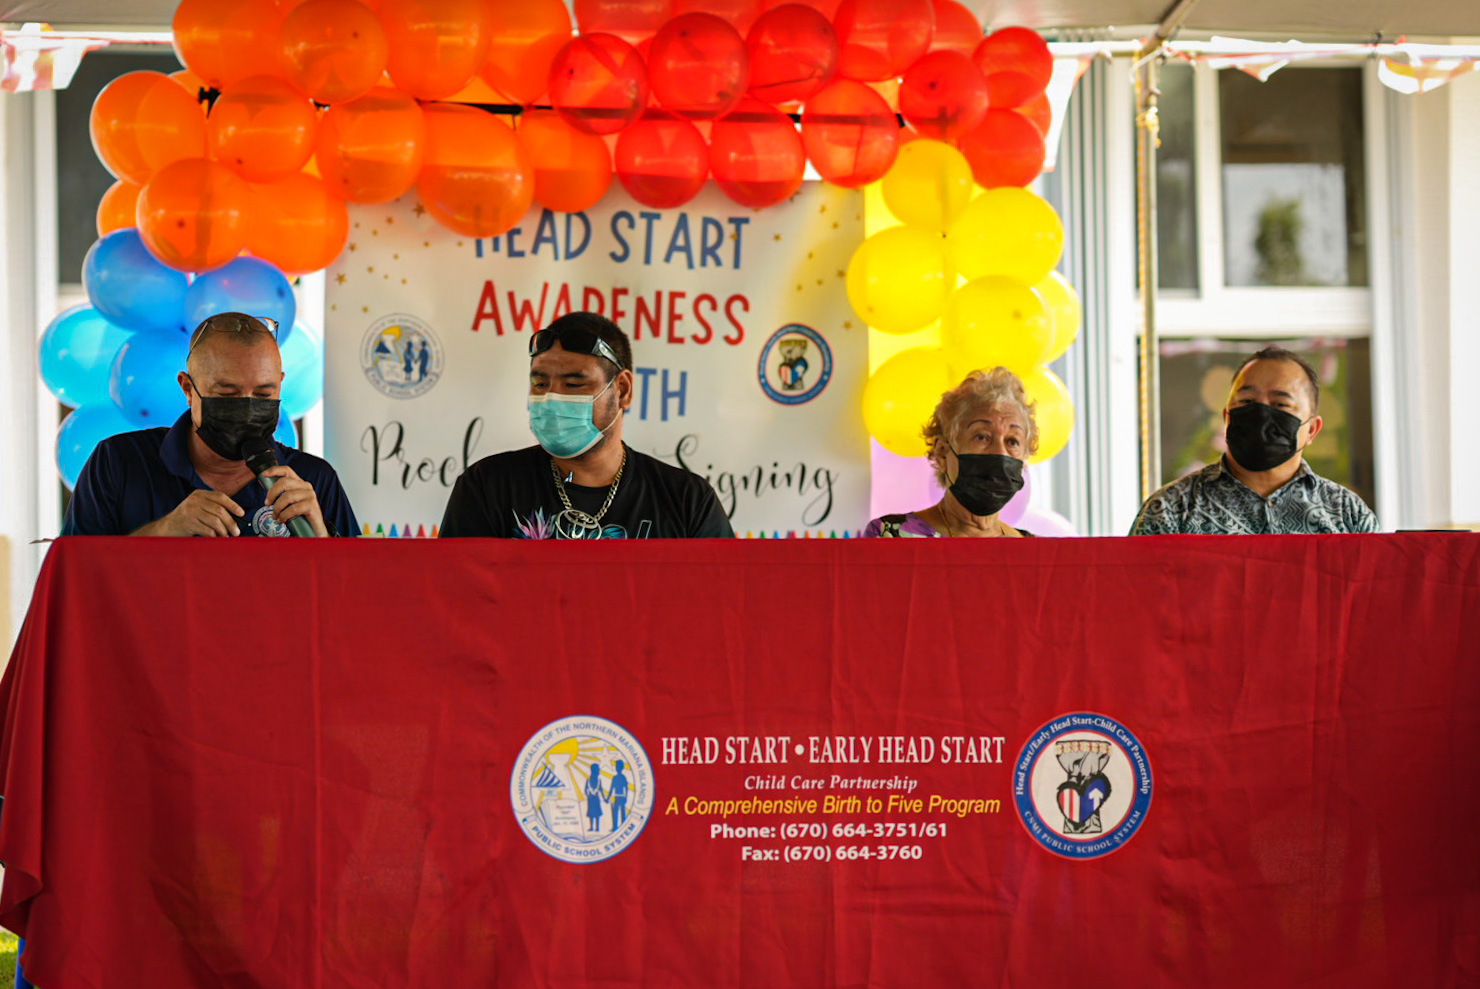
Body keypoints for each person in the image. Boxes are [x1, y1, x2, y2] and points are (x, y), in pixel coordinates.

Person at [438, 311, 734, 539]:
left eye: (574, 384)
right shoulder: (487, 487)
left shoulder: (687, 501)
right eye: (540, 383)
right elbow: (456, 605)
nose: (551, 398)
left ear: (623, 390)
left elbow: (720, 608)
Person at [62, 312, 359, 538]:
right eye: (227, 394)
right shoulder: (118, 463)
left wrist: (323, 543)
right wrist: (163, 531)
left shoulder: (313, 480)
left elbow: (355, 602)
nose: (247, 406)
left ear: (280, 386)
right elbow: (76, 579)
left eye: (263, 394)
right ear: (188, 389)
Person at [1130, 345, 1378, 535]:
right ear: (1227, 417)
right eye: (1247, 402)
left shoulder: (1346, 515)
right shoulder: (1170, 510)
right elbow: (1134, 597)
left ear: (1312, 429)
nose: (1261, 413)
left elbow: (1378, 596)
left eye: (1281, 404)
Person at [862, 367, 1036, 538]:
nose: (1000, 453)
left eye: (1012, 441)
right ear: (942, 451)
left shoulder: (1036, 553)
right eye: (982, 437)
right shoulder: (890, 536)